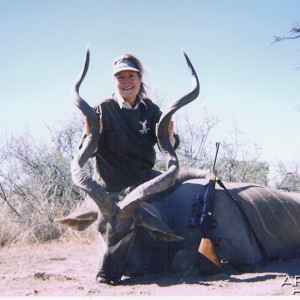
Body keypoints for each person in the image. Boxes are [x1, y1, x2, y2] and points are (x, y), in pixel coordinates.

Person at [80, 53, 180, 198]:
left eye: (131, 76)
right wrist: (92, 140)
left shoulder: (150, 109)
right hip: (111, 189)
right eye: (121, 77)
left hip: (146, 183)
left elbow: (171, 141)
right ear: (114, 81)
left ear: (139, 79)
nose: (127, 81)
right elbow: (87, 151)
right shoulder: (101, 108)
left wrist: (170, 142)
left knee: (181, 192)